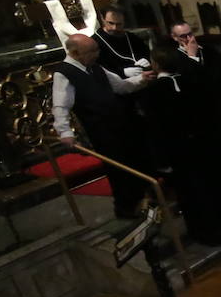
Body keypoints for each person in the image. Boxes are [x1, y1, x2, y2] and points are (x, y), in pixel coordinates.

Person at [51, 33, 151, 217]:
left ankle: (142, 202)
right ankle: (125, 209)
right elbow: (61, 105)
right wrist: (65, 132)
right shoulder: (64, 73)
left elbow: (120, 86)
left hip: (120, 124)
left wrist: (142, 79)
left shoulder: (96, 68)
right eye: (92, 51)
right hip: (101, 130)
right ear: (75, 53)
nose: (97, 54)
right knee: (118, 171)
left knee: (134, 162)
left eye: (96, 49)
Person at [92, 4, 151, 80]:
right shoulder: (94, 41)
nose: (115, 28)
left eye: (119, 24)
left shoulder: (131, 37)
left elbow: (146, 52)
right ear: (102, 19)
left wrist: (147, 59)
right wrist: (121, 72)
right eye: (111, 23)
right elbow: (97, 68)